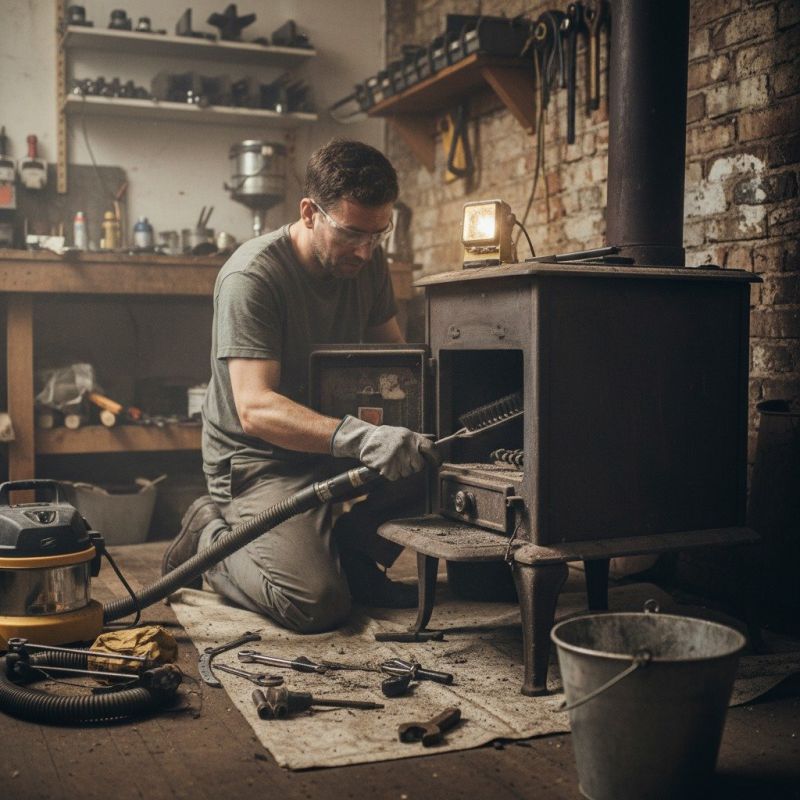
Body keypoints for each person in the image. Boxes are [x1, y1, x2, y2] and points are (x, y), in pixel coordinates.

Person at [161, 138, 439, 633]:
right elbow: (256, 409)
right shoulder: (253, 277)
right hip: (260, 459)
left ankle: (352, 556)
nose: (366, 249)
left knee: (438, 461)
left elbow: (394, 362)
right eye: (353, 232)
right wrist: (364, 438)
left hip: (329, 444)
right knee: (315, 604)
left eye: (380, 234)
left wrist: (430, 415)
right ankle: (211, 543)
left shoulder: (367, 258)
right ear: (310, 212)